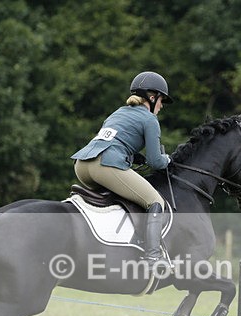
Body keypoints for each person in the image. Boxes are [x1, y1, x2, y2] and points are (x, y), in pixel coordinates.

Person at [71, 71, 173, 268]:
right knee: (155, 201)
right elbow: (156, 162)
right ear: (152, 98)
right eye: (161, 101)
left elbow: (114, 141)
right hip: (104, 166)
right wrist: (167, 159)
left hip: (82, 166)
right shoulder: (150, 120)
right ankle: (153, 257)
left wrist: (134, 156)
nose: (161, 106)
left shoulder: (118, 112)